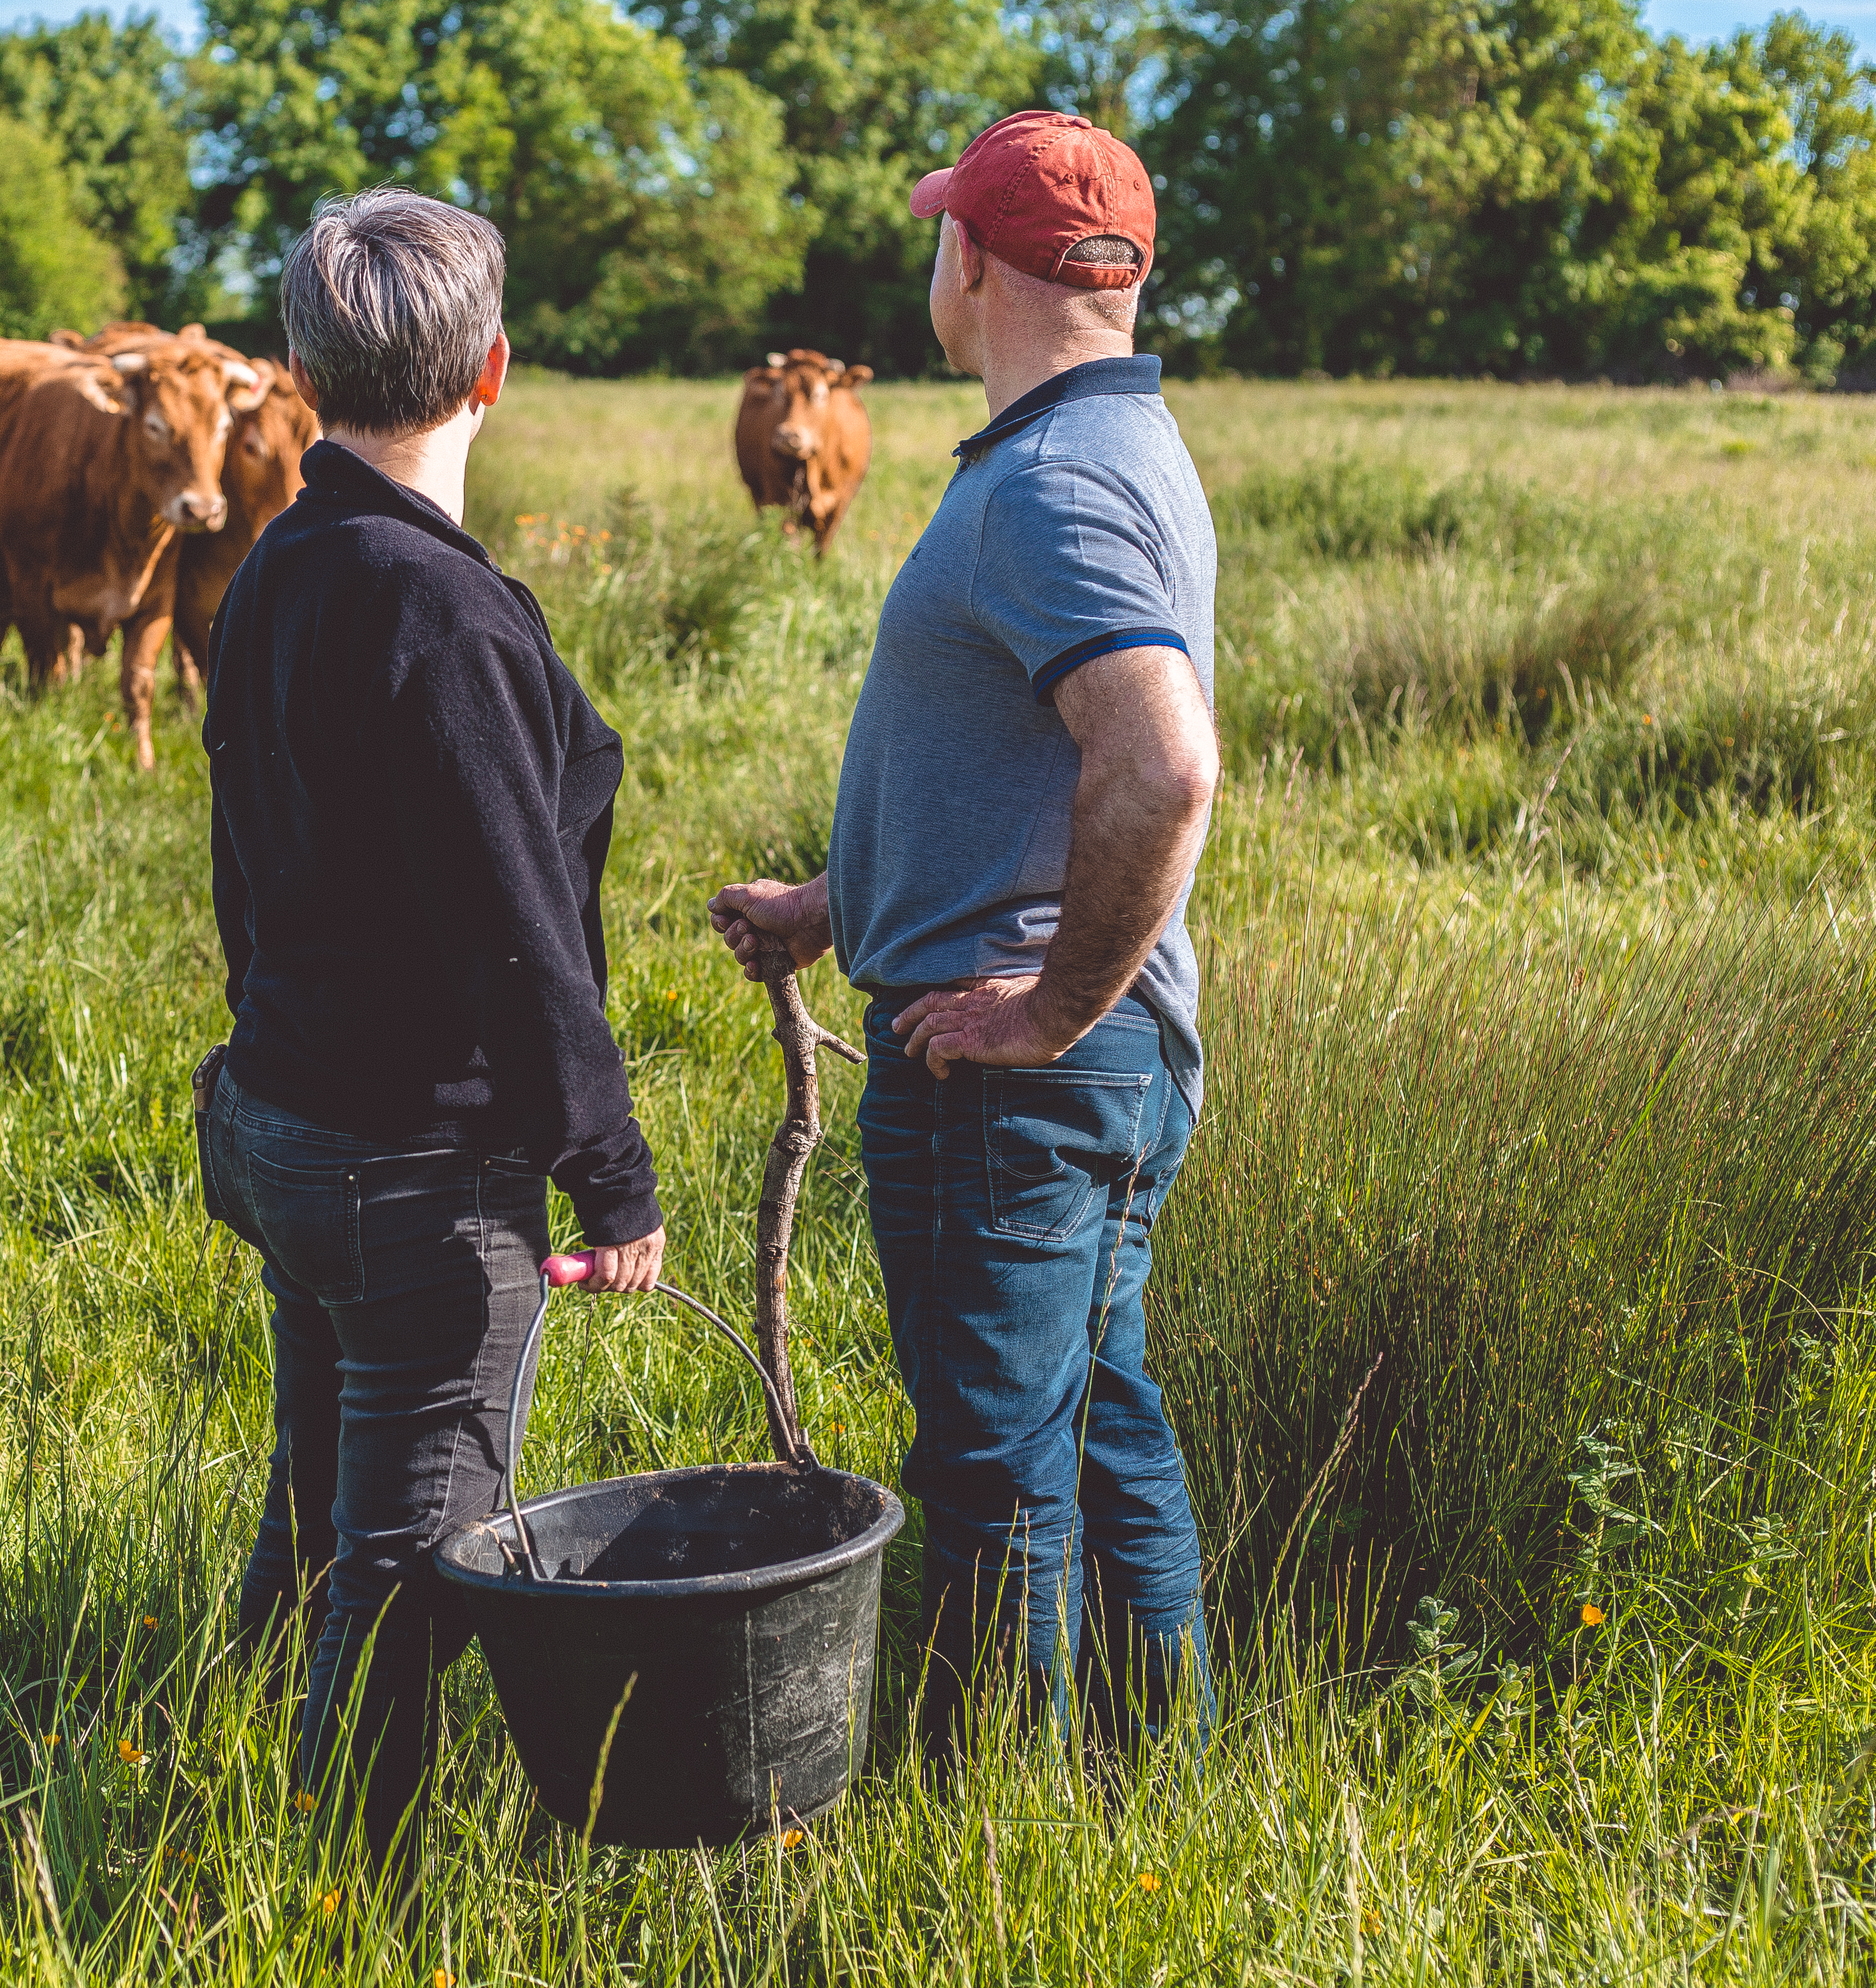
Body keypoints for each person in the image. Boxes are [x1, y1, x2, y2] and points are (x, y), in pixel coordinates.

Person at [712, 111, 1222, 1768]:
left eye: (944, 234)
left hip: (1009, 1077)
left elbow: (1159, 762)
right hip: (1065, 1044)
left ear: (974, 263)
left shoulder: (1052, 486)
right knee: (1101, 1427)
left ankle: (997, 1837)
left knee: (995, 1468)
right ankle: (1156, 1777)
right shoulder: (1103, 448)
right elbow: (1013, 774)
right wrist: (834, 906)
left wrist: (1050, 1009)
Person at [196, 187, 667, 1872]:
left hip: (287, 1119)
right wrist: (609, 1175)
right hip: (412, 1167)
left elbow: (246, 861)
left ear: (302, 369)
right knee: (406, 1563)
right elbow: (521, 935)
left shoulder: (282, 569)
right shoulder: (445, 615)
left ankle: (223, 1796)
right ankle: (350, 1902)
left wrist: (257, 1069)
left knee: (321, 1511)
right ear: (494, 370)